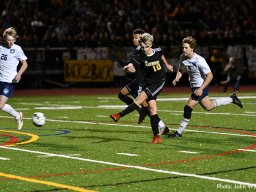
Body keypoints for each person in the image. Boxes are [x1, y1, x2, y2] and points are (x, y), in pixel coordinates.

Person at [168, 36, 243, 138]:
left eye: (186, 48)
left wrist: (201, 89)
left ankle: (179, 132)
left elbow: (210, 76)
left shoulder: (200, 60)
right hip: (195, 87)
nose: (183, 49)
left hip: (201, 86)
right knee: (209, 106)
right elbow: (181, 69)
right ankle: (231, 99)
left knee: (187, 108)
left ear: (192, 48)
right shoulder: (183, 57)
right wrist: (177, 78)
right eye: (183, 47)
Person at [110, 33, 169, 144]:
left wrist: (167, 65)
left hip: (159, 82)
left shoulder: (158, 52)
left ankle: (119, 115)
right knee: (152, 110)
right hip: (148, 83)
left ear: (150, 45)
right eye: (142, 47)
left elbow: (161, 55)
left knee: (139, 99)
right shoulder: (140, 56)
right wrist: (127, 68)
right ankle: (157, 136)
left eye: (146, 47)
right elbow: (129, 65)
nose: (144, 49)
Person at [0, 27, 28, 130]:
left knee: (0, 105)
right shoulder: (0, 47)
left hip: (10, 81)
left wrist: (19, 74)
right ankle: (17, 115)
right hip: (0, 79)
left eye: (13, 40)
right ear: (4, 39)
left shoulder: (17, 49)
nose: (11, 42)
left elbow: (25, 64)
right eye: (9, 40)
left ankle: (16, 115)